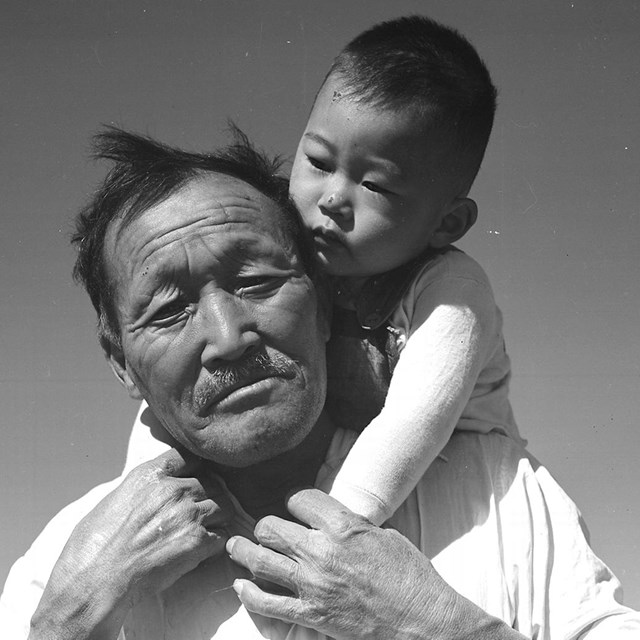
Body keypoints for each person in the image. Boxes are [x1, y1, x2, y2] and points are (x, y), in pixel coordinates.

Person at [1, 129, 638, 639]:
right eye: (169, 312)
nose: (228, 337)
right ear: (120, 365)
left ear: (327, 301)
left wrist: (434, 626)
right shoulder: (65, 563)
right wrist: (67, 622)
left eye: (255, 282)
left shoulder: (492, 484)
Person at [126, 14, 523, 527]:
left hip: (455, 487)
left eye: (376, 187)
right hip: (346, 467)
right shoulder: (292, 256)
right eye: (317, 160)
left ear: (448, 222)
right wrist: (140, 502)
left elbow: (414, 422)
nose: (333, 198)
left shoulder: (450, 291)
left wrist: (330, 533)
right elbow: (167, 398)